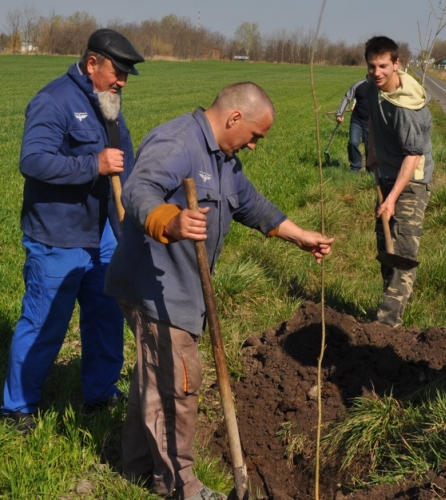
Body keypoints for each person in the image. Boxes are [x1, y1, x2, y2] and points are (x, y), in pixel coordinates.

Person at [104, 82, 334, 500]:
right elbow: (139, 189)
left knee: (154, 378)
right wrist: (169, 221)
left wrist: (298, 235)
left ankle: (137, 468)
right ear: (234, 119)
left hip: (182, 288)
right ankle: (180, 485)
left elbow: (250, 204)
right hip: (156, 286)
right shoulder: (179, 141)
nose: (254, 146)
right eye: (255, 136)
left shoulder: (223, 158)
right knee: (179, 384)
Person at [1, 28, 144, 432]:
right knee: (45, 322)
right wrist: (91, 166)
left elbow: (124, 164)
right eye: (117, 71)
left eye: (127, 75)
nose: (122, 81)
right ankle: (17, 408)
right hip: (57, 236)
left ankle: (99, 394)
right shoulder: (54, 100)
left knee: (105, 319)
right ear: (92, 62)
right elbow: (32, 160)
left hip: (103, 235)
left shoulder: (110, 104)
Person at [365, 36, 434, 328]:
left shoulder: (407, 109)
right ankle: (395, 303)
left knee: (404, 252)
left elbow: (412, 158)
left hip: (412, 181)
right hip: (386, 172)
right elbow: (371, 120)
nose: (377, 72)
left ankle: (386, 326)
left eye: (383, 66)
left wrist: (392, 198)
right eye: (372, 66)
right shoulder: (371, 88)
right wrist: (371, 153)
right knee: (385, 246)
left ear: (397, 64)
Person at [335, 76, 370, 173]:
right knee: (353, 142)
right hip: (357, 120)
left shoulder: (381, 87)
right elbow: (347, 97)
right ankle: (355, 167)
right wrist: (340, 114)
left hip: (372, 123)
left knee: (370, 148)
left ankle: (370, 171)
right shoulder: (359, 85)